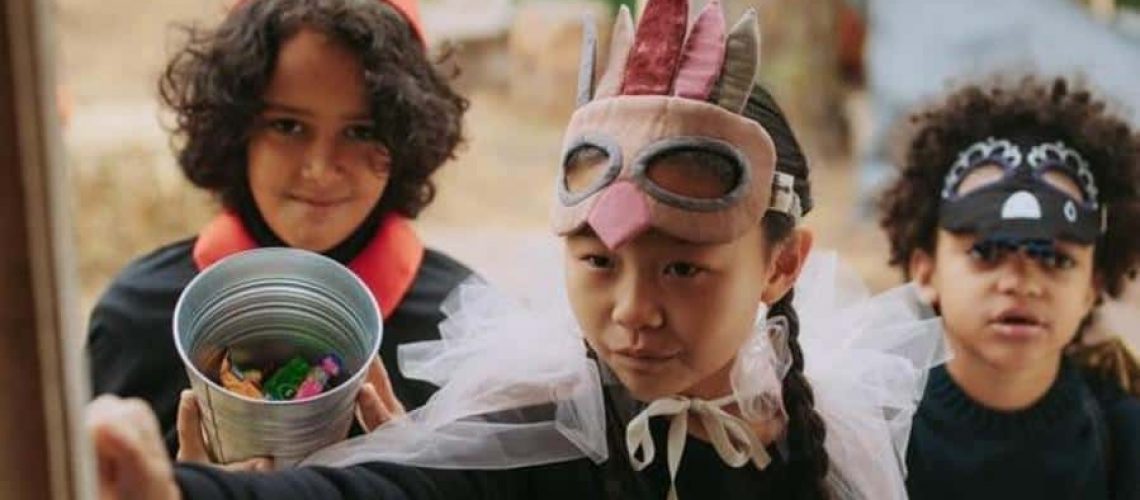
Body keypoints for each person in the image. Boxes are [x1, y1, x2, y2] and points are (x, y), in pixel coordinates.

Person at [87, 1, 943, 498]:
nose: (633, 311)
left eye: (684, 265)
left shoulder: (826, 445)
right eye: (599, 261)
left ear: (783, 265)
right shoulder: (536, 428)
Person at [86, 0, 473, 459]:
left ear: (407, 134)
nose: (320, 169)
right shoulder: (137, 324)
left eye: (361, 131)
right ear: (234, 127)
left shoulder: (462, 333)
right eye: (287, 126)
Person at [877, 76, 1140, 499]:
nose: (1021, 283)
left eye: (1055, 259)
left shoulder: (1123, 436)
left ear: (1092, 286)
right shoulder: (874, 426)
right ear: (925, 272)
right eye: (987, 252)